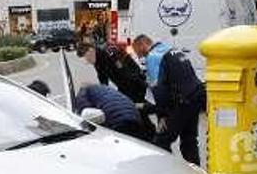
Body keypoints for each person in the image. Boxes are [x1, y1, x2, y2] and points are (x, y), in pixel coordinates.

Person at [132, 34, 205, 166]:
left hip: (182, 101)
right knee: (189, 140)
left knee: (161, 141)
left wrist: (162, 116)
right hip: (196, 96)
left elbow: (158, 90)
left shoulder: (153, 57)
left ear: (142, 44)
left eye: (138, 52)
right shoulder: (168, 49)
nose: (140, 57)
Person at [75, 84, 150, 141]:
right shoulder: (104, 89)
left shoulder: (82, 94)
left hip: (118, 121)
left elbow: (87, 117)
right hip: (135, 116)